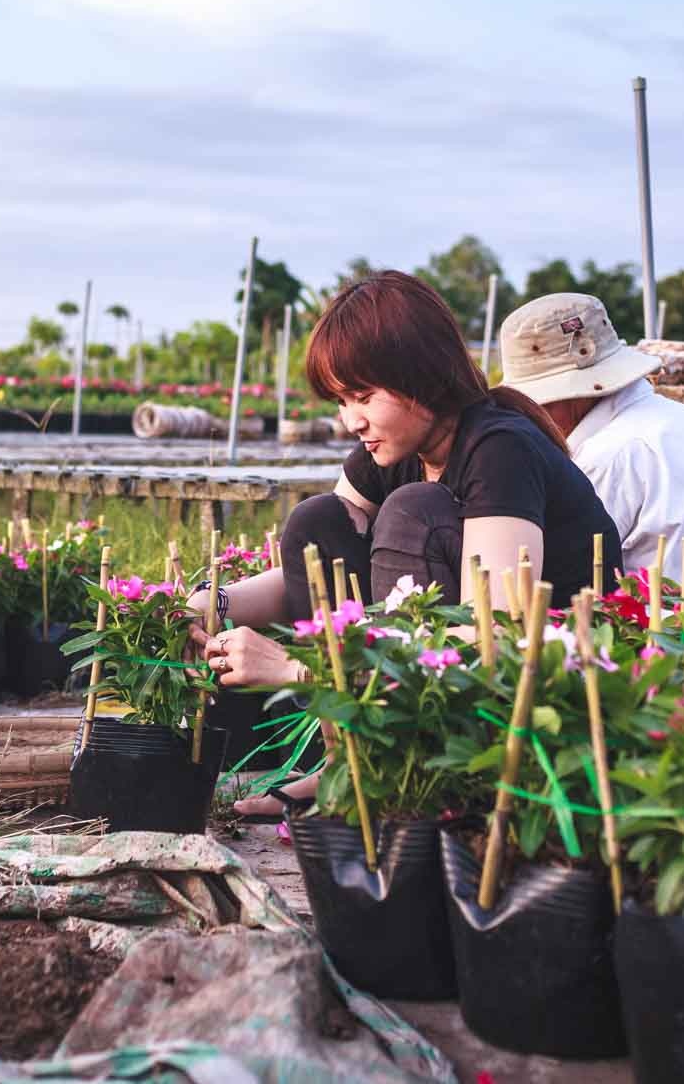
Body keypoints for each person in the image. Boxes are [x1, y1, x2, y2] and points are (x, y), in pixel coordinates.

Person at [189, 271, 623, 817]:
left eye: (363, 396)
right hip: (434, 681)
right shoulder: (393, 451)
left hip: (536, 706)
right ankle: (347, 764)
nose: (352, 420)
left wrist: (297, 669)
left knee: (411, 516)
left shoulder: (499, 451)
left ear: (422, 376)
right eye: (342, 401)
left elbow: (494, 647)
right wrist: (211, 605)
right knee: (316, 521)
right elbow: (315, 567)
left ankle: (405, 777)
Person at [498, 292, 684, 582]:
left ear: (569, 396)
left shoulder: (607, 455)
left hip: (663, 623)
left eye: (537, 403)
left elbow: (565, 572)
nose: (533, 415)